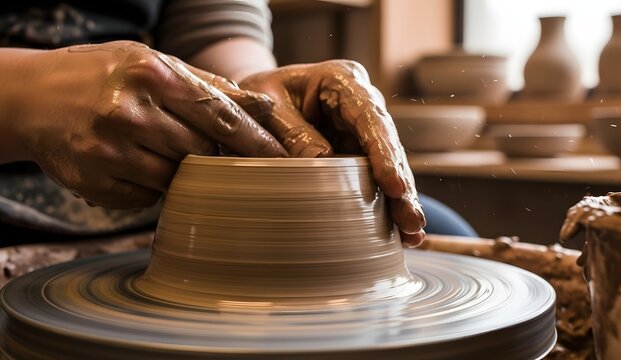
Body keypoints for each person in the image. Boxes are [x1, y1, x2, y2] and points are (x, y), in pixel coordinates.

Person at [0, 0, 475, 246]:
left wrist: (254, 95)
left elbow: (214, 26)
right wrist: (22, 101)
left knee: (441, 233)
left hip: (144, 160)